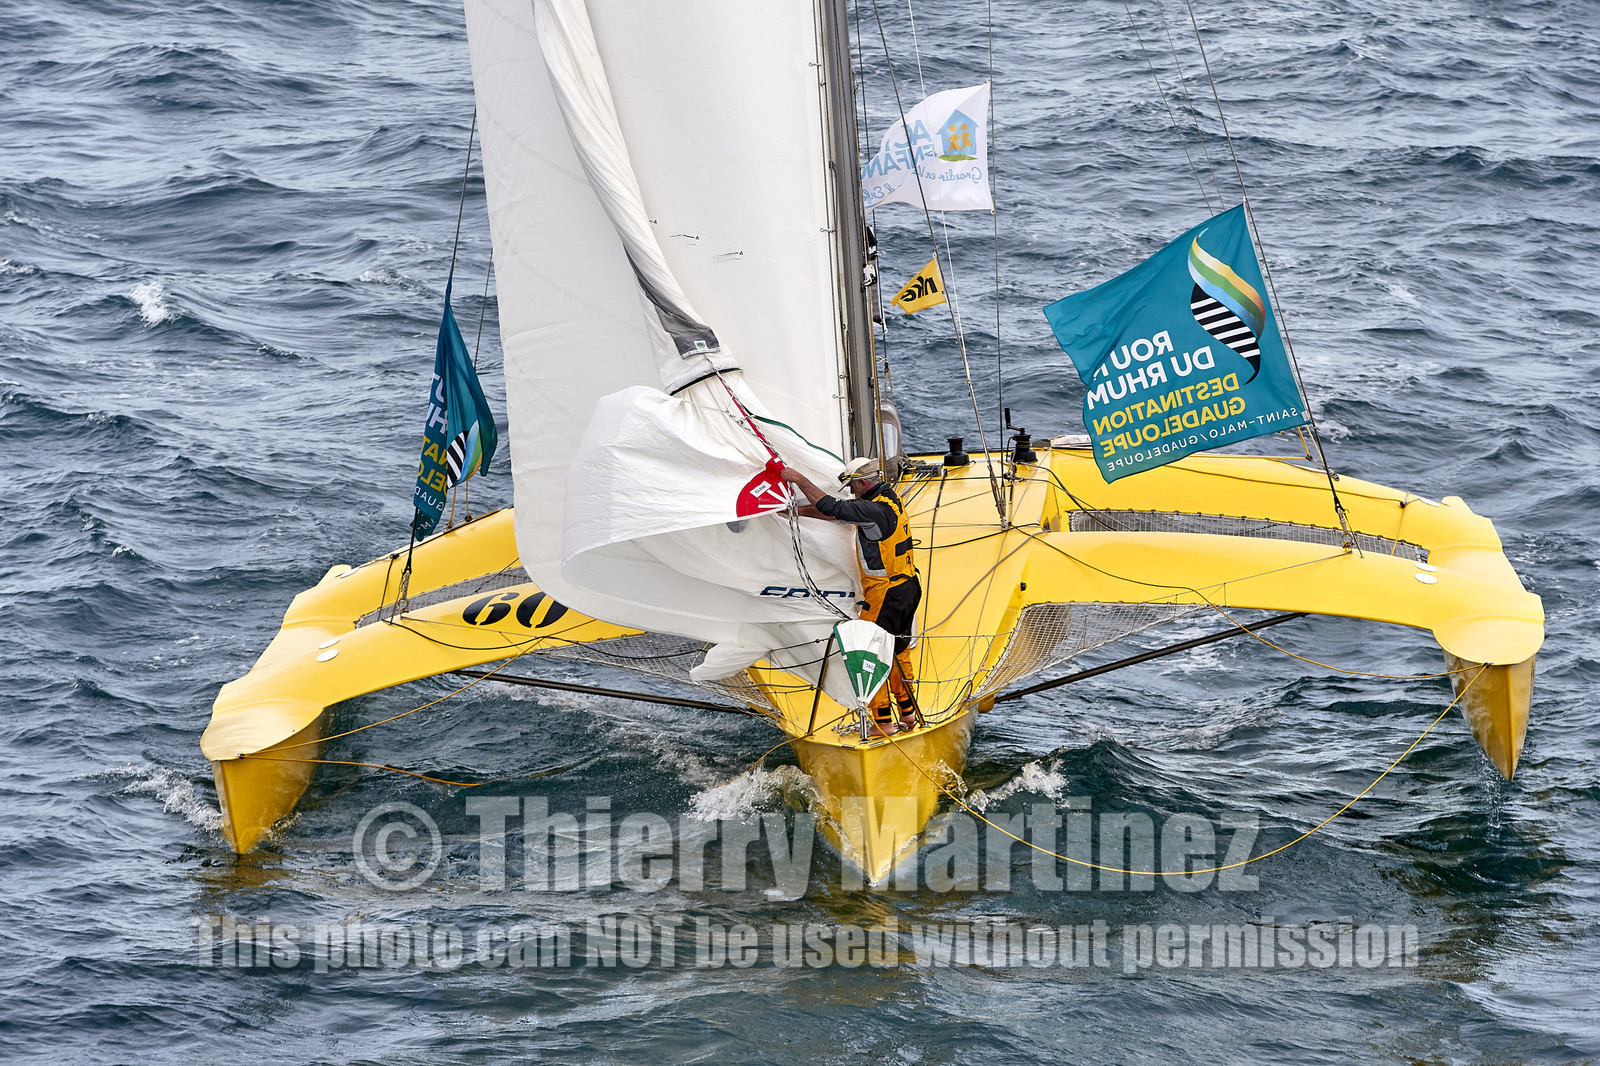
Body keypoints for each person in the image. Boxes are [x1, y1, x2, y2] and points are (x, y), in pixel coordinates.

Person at [782, 458, 922, 736]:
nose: (852, 491)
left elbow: (832, 507)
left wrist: (798, 479)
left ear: (861, 483)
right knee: (898, 652)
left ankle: (883, 723)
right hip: (908, 587)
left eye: (853, 486)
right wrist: (795, 513)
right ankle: (908, 714)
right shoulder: (889, 500)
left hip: (886, 593)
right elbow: (838, 514)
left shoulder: (873, 509)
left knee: (872, 652)